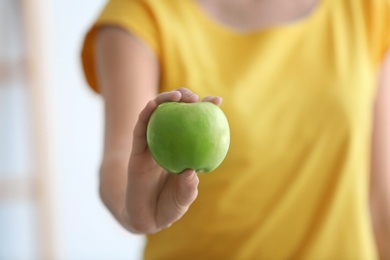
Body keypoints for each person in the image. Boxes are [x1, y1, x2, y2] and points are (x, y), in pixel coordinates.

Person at [81, 0, 390, 259]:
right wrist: (132, 208)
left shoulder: (366, 7)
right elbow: (121, 158)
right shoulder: (142, 10)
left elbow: (380, 198)